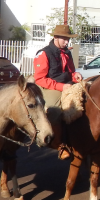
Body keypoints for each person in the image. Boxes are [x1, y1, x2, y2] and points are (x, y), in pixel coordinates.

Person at [34, 24, 83, 159]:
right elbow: (40, 79)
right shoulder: (44, 53)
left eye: (68, 39)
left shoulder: (67, 52)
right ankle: (58, 144)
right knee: (55, 110)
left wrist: (75, 75)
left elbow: (70, 72)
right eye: (64, 39)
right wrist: (61, 87)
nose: (67, 42)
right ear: (55, 37)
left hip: (67, 84)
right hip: (49, 87)